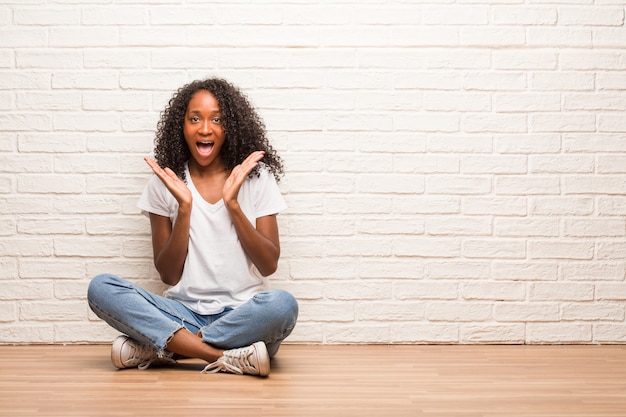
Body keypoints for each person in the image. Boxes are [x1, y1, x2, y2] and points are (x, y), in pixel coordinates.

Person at [87, 78, 298, 377]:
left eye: (217, 119)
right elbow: (169, 274)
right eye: (195, 118)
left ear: (232, 127)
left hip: (242, 316)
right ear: (181, 126)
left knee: (281, 305)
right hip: (182, 313)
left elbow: (268, 264)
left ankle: (166, 346)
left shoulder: (256, 177)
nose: (205, 129)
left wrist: (233, 205)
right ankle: (224, 356)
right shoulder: (165, 183)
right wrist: (184, 209)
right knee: (101, 287)